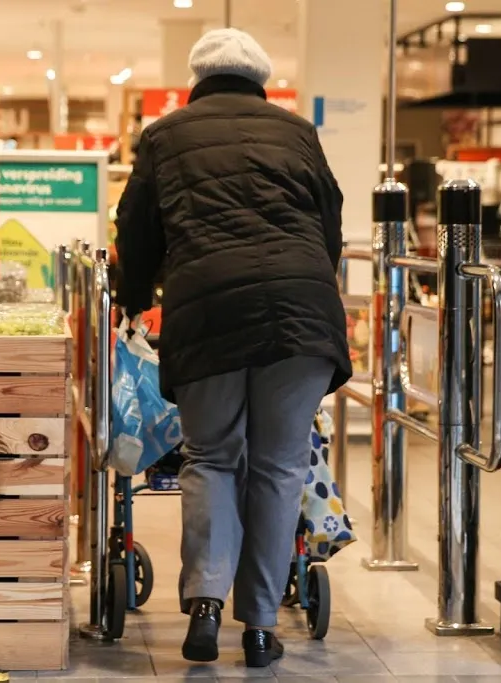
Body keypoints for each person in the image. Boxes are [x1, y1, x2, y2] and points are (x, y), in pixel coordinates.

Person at [114, 28, 351, 668]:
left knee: (212, 458)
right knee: (278, 468)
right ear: (260, 80)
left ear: (197, 79)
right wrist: (305, 285)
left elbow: (135, 232)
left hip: (208, 308)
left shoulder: (164, 135)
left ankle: (207, 605)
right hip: (302, 316)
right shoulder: (298, 131)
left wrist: (133, 296)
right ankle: (261, 627)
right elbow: (328, 225)